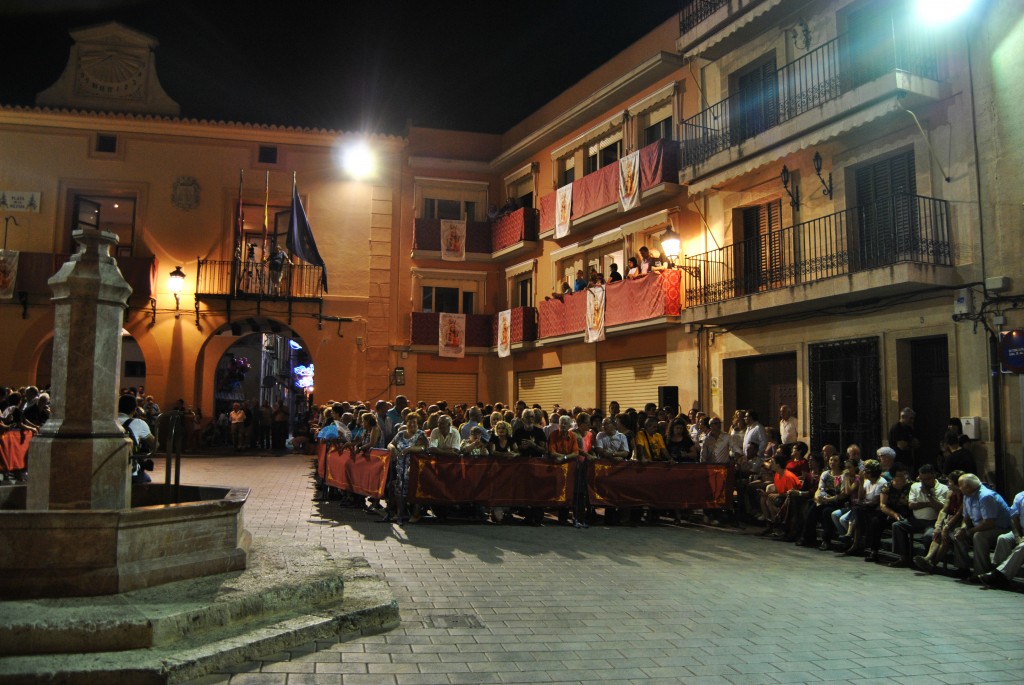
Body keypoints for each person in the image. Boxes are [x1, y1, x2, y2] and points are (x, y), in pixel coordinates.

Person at [952, 473, 1012, 580]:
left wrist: (969, 532)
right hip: (980, 526)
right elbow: (966, 518)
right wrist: (963, 529)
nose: (958, 487)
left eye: (960, 485)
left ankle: (981, 572)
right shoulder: (967, 495)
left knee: (979, 536)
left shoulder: (986, 496)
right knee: (958, 532)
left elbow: (989, 523)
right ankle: (963, 568)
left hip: (999, 528)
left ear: (968, 487)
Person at [979, 488, 1024, 588]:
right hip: (1021, 531)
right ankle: (999, 573)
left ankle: (999, 575)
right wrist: (1018, 536)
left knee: (1023, 546)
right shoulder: (1020, 496)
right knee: (1003, 539)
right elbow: (1013, 517)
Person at [118, 394, 155, 483]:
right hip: (130, 473)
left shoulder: (109, 421)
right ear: (135, 409)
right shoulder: (139, 423)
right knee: (147, 479)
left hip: (109, 470)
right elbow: (155, 444)